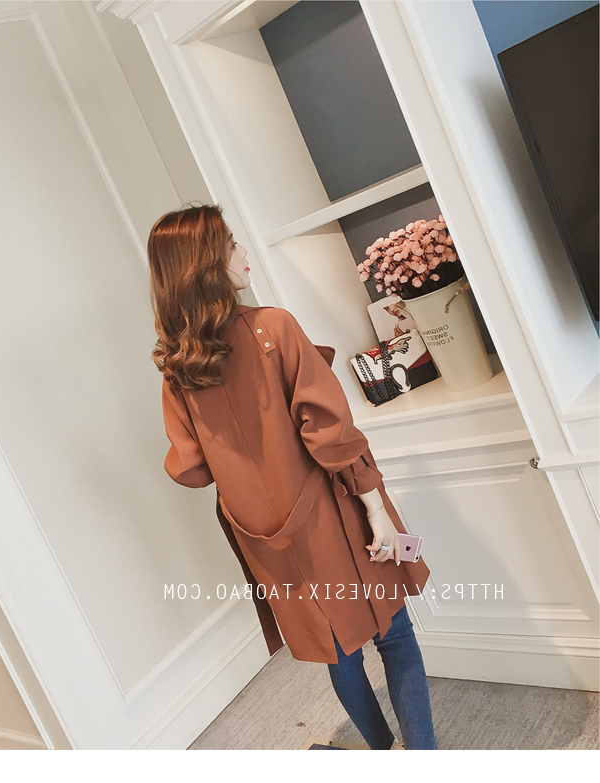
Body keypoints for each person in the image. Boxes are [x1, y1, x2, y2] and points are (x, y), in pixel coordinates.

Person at [149, 203, 437, 750]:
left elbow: (189, 467)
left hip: (265, 539)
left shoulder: (177, 366)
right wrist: (376, 509)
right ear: (205, 262)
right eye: (230, 244)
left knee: (338, 649)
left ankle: (383, 754)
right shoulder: (271, 328)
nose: (243, 252)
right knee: (394, 635)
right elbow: (329, 433)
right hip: (334, 517)